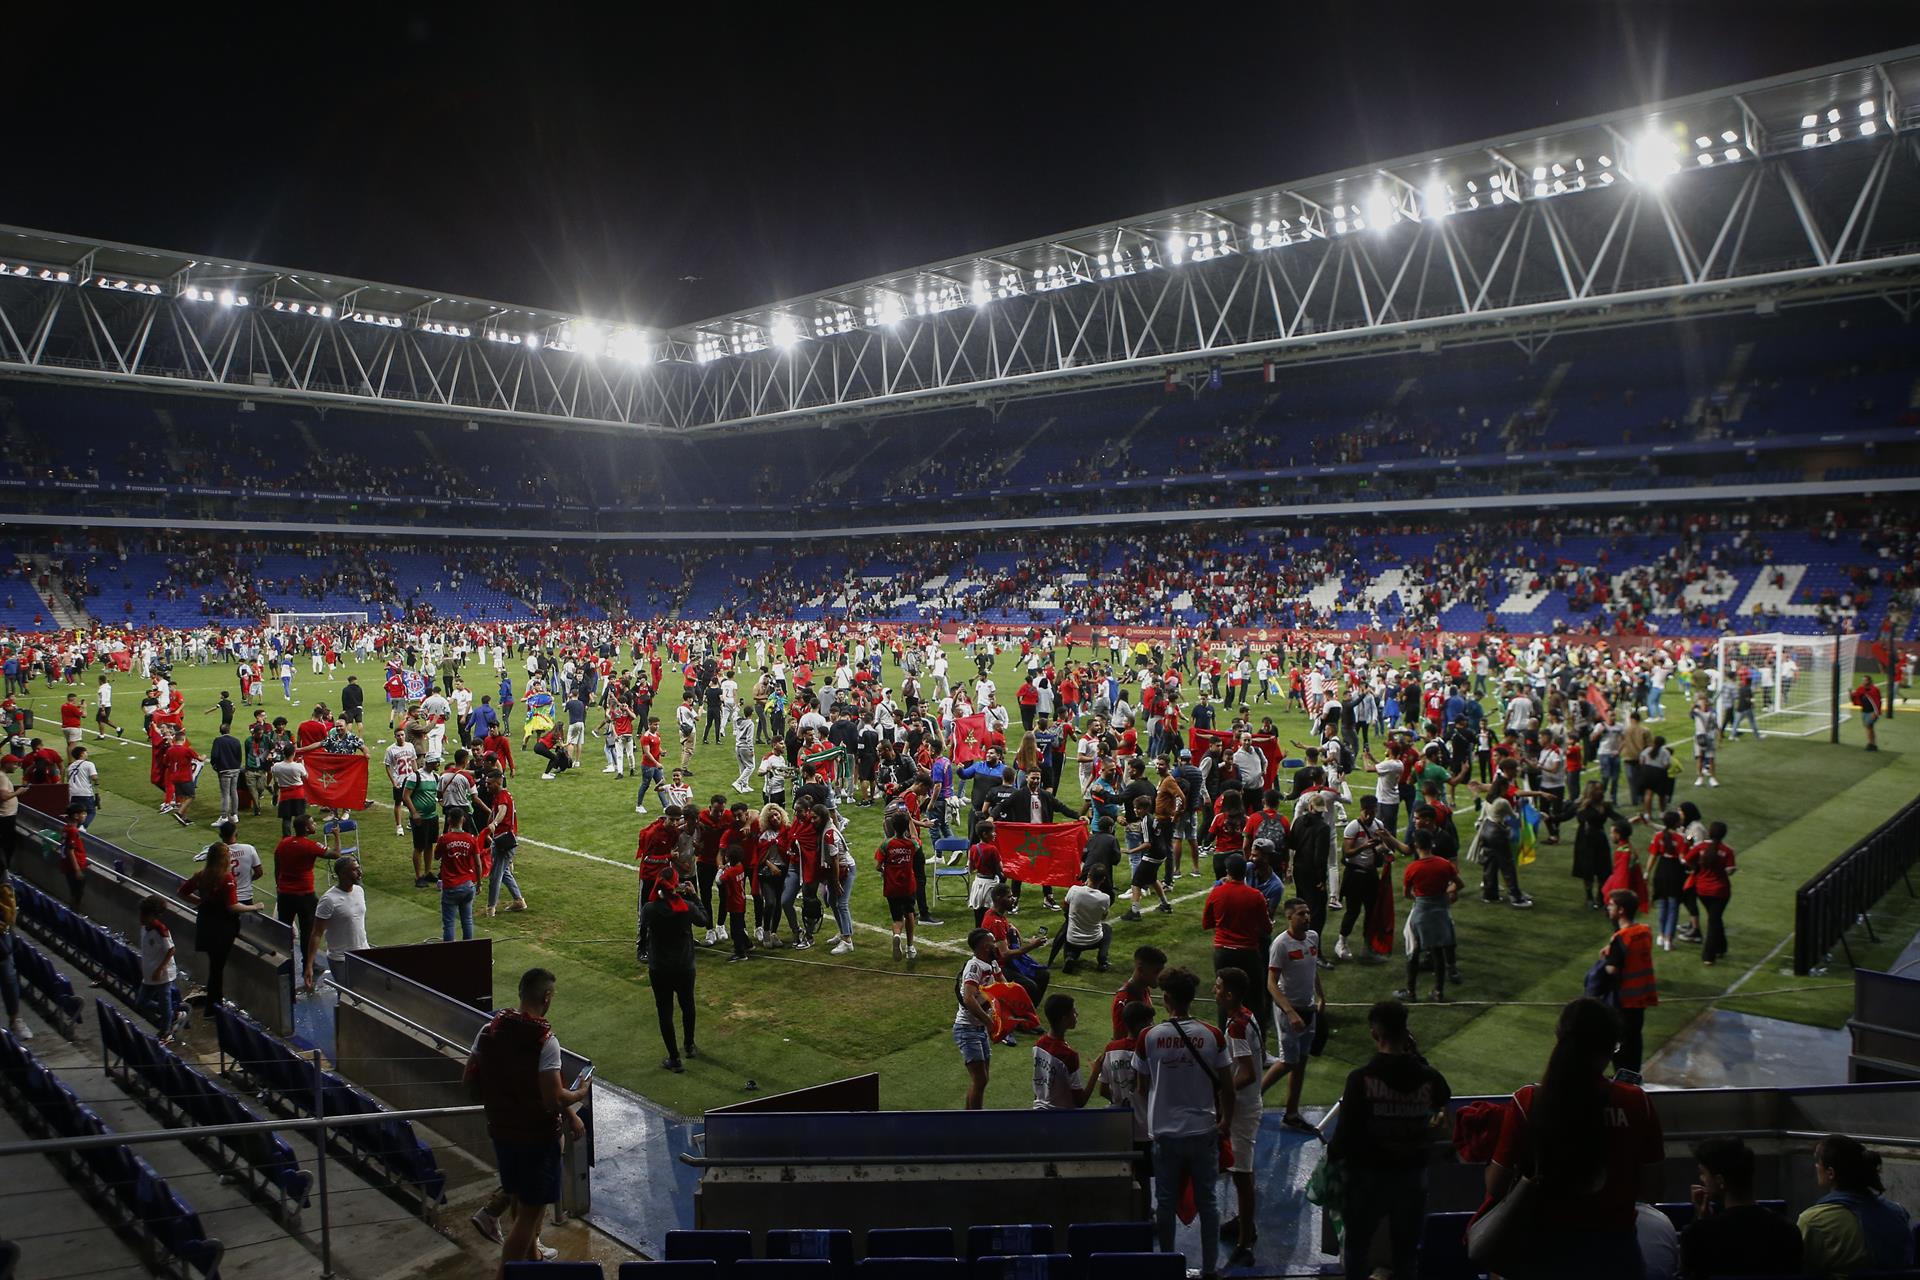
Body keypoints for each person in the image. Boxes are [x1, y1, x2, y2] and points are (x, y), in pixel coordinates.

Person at [1484, 997, 1665, 1280]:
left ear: (1560, 1039)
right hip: (1614, 1254)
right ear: (1609, 1047)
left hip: (1542, 1253)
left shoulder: (1528, 1101)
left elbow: (1496, 1185)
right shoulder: (1636, 1102)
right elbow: (1653, 1190)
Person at [464, 968, 589, 1278]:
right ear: (546, 997)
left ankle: (534, 1263)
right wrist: (579, 1093)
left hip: (501, 1132)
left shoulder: (489, 1029)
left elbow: (469, 1082)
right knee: (529, 1217)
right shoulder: (545, 1040)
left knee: (519, 1197)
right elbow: (553, 1099)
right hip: (537, 1139)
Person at [1328, 999, 1452, 1280]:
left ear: (1375, 1033)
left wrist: (1333, 1162)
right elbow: (1444, 1104)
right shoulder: (1429, 1077)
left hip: (1367, 1178)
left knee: (1357, 1248)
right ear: (1406, 1033)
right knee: (1406, 1254)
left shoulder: (1360, 1079)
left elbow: (1344, 1135)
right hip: (1411, 1177)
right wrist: (1416, 1056)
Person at [1134, 966, 1233, 1277]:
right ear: (1191, 998)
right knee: (1208, 1202)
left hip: (1164, 1133)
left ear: (1167, 998)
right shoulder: (1212, 1035)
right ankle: (1209, 1269)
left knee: (1165, 1203)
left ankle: (1167, 1266)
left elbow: (1141, 1086)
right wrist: (1226, 1122)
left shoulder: (1148, 1037)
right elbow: (1227, 1086)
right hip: (1203, 1131)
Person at [1680, 1136, 1805, 1278]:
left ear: (1720, 1180)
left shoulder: (1697, 1236)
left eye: (1703, 1173)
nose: (1701, 1179)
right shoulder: (1788, 1231)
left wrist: (1701, 1222)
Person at [1796, 1133, 1914, 1278]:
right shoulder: (1898, 1213)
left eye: (1817, 1161)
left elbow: (1800, 1270)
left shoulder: (1813, 1221)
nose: (1815, 1166)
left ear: (1830, 1173)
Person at [1215, 967, 1266, 1269]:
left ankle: (1245, 1242)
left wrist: (1221, 1087)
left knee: (1242, 1174)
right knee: (1241, 1171)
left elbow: (1246, 1074)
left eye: (1219, 987)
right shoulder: (1247, 1017)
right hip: (1247, 1106)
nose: (1215, 991)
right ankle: (1245, 1223)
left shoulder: (1235, 1027)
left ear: (1230, 994)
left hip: (1242, 1110)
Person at [178, 842, 263, 1019]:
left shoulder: (201, 875)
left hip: (205, 924)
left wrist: (201, 902)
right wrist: (254, 907)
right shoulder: (226, 878)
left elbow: (182, 892)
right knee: (217, 969)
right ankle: (213, 1009)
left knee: (216, 968)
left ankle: (214, 1006)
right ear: (224, 858)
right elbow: (232, 906)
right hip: (221, 927)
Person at [1261, 898, 1324, 1133]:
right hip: (1289, 1011)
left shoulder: (1313, 938)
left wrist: (1321, 996)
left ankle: (1292, 1113)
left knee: (1301, 1061)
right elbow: (1271, 982)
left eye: (1307, 913)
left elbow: (1313, 968)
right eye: (1301, 914)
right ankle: (1251, 1100)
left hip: (1308, 1008)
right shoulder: (1281, 944)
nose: (1306, 917)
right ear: (1289, 917)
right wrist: (1289, 1011)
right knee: (1288, 1061)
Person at [640, 867, 708, 1072]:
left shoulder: (650, 909)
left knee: (665, 1012)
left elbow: (644, 928)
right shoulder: (686, 907)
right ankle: (689, 1045)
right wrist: (694, 896)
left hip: (660, 968)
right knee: (688, 1005)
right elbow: (704, 920)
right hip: (684, 966)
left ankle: (674, 1058)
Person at [1203, 855, 1272, 1030]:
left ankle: (1224, 1037)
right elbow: (1267, 928)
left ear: (1228, 872)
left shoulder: (1216, 893)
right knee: (1255, 998)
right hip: (1248, 952)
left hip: (1223, 952)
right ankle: (1258, 1036)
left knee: (1223, 996)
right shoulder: (1256, 896)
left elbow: (1207, 923)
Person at [1599, 888, 1659, 1082]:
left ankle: (1623, 1082)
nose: (1608, 908)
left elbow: (1612, 969)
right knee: (1634, 1042)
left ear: (1621, 910)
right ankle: (1632, 1079)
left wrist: (1605, 960)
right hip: (1640, 998)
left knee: (1620, 1046)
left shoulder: (1621, 938)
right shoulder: (1643, 931)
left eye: (1611, 905)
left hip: (1623, 1000)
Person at [275, 814, 338, 990]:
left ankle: (283, 965)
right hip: (305, 895)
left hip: (285, 894)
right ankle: (308, 966)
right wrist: (336, 836)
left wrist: (279, 885)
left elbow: (277, 866)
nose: (314, 825)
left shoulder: (283, 843)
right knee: (308, 933)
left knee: (284, 931)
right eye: (312, 823)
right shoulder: (309, 845)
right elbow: (336, 854)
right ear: (305, 828)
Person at [1400, 829, 1463, 1002]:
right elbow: (1459, 884)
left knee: (1413, 950)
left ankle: (1411, 991)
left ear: (1416, 845)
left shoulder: (1413, 868)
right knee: (1438, 951)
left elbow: (1406, 893)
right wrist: (1444, 894)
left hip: (1421, 911)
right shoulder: (1444, 864)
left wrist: (1419, 898)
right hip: (1440, 910)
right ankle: (1438, 992)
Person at [954, 926, 1003, 1109]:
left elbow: (1003, 985)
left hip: (978, 1029)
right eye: (993, 942)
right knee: (980, 1079)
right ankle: (975, 1119)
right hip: (967, 1029)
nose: (996, 945)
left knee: (982, 1079)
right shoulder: (974, 967)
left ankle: (969, 1117)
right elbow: (968, 999)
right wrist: (988, 1021)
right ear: (984, 946)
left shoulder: (992, 964)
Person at [307, 855, 369, 991]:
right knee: (347, 998)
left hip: (363, 955)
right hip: (341, 960)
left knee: (366, 995)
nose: (360, 872)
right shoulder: (328, 900)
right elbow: (317, 933)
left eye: (359, 868)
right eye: (355, 870)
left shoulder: (359, 890)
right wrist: (309, 965)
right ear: (342, 874)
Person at [137, 895, 192, 1043]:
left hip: (163, 975)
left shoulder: (161, 930)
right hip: (149, 974)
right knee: (141, 1002)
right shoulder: (144, 928)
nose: (141, 917)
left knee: (164, 1003)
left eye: (144, 915)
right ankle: (175, 1015)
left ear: (153, 915)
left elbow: (171, 949)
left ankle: (165, 1033)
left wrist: (160, 969)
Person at [1685, 822, 1737, 966]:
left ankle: (1721, 947)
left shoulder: (1701, 847)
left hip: (1702, 890)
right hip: (1720, 891)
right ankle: (1708, 955)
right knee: (1713, 921)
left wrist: (1696, 868)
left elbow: (1687, 860)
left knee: (1715, 918)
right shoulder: (1727, 851)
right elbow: (1730, 870)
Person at [1033, 993, 1094, 1110]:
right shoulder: (1069, 1055)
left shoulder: (1039, 1044)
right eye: (1074, 1012)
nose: (1077, 1014)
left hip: (1038, 1110)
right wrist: (1095, 1072)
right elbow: (1080, 1101)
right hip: (1060, 1116)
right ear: (1064, 1018)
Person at [1050, 866, 1113, 973]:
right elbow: (1103, 917)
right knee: (1107, 929)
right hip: (1094, 939)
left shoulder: (1074, 890)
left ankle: (1070, 956)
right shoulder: (1105, 898)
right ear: (1103, 880)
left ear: (1088, 875)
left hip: (1073, 939)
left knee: (1071, 932)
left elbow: (1065, 907)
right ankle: (1102, 961)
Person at [876, 811, 920, 961]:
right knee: (909, 913)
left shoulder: (886, 844)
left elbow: (878, 866)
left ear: (893, 827)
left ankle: (896, 935)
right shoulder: (912, 844)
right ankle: (910, 947)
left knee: (897, 918)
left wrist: (885, 870)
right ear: (906, 826)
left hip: (891, 887)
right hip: (908, 886)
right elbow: (915, 837)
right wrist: (911, 821)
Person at [433, 822, 486, 942]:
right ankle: (467, 950)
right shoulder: (471, 838)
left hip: (451, 887)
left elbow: (436, 856)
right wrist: (479, 883)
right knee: (467, 920)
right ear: (462, 820)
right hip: (468, 886)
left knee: (449, 923)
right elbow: (478, 864)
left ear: (449, 821)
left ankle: (450, 952)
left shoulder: (444, 839)